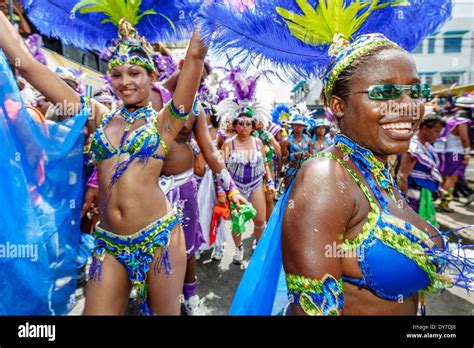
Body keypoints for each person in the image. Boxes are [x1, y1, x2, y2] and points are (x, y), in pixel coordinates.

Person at [198, 0, 472, 315]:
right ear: (337, 106)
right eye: (383, 92)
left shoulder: (374, 171)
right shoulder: (326, 179)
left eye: (415, 91)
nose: (409, 106)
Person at [0, 7, 209, 315]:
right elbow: (29, 66)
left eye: (135, 73)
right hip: (109, 243)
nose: (125, 82)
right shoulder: (97, 115)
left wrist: (208, 13)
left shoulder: (165, 123)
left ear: (152, 77)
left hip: (160, 240)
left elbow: (193, 60)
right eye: (116, 74)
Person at [397, 114, 445, 226]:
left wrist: (440, 189)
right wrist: (404, 205)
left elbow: (428, 172)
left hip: (423, 195)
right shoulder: (413, 148)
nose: (438, 136)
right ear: (424, 128)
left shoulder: (427, 147)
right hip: (413, 197)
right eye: (436, 131)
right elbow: (402, 176)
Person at [437, 109, 472, 212]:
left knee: (446, 178)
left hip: (447, 153)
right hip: (455, 154)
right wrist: (467, 153)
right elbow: (464, 139)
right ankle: (444, 203)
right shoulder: (461, 123)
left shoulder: (450, 121)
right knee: (452, 179)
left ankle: (442, 201)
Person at [281, 115, 313, 187]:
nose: (299, 127)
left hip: (306, 171)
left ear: (304, 127)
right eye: (296, 125)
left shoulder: (308, 140)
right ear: (292, 126)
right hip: (291, 172)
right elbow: (283, 160)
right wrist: (293, 156)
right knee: (290, 195)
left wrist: (308, 156)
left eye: (301, 125)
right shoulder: (286, 141)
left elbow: (313, 157)